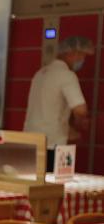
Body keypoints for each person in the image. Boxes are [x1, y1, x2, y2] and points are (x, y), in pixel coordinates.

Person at [24, 36, 92, 169]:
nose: (82, 60)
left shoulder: (40, 73)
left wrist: (69, 127)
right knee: (50, 187)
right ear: (73, 53)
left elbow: (47, 108)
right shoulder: (67, 75)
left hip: (31, 141)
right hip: (52, 144)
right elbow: (80, 109)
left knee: (32, 185)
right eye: (82, 55)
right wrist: (80, 122)